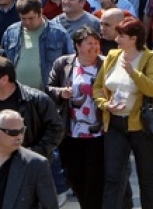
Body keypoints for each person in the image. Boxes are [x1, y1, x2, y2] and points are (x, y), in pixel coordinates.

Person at [93, 17, 153, 209]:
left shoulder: (150, 58)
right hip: (115, 124)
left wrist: (133, 72)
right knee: (113, 177)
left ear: (133, 38)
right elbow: (98, 87)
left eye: (121, 36)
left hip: (142, 128)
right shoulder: (113, 56)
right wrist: (105, 105)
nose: (116, 39)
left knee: (146, 177)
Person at [47, 27, 105, 209]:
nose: (94, 47)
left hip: (98, 131)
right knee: (74, 175)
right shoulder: (63, 63)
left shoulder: (105, 64)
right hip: (71, 131)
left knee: (95, 176)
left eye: (96, 43)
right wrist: (61, 93)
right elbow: (49, 88)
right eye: (89, 43)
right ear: (78, 46)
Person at [0, 55, 64, 159]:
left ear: (4, 79)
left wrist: (33, 154)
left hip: (28, 168)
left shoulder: (37, 100)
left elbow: (56, 129)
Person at [0, 0, 73, 92]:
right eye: (23, 19)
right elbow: (2, 63)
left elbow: (70, 64)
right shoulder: (10, 33)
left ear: (41, 12)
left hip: (48, 95)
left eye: (31, 18)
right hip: (16, 94)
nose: (27, 22)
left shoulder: (59, 34)